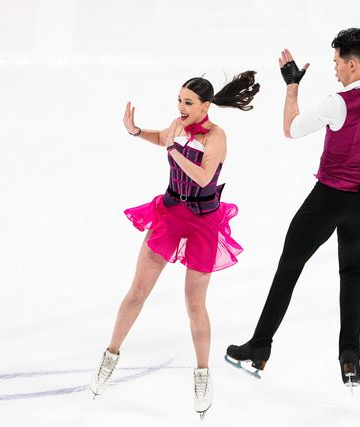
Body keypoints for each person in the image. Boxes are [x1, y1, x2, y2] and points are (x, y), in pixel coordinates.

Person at [226, 28, 360, 389]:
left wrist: (292, 86)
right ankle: (350, 358)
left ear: (352, 64)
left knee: (289, 267)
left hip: (328, 199)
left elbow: (291, 128)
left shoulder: (338, 102)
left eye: (337, 62)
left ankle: (259, 346)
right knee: (352, 275)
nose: (334, 69)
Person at [90, 71, 260, 418]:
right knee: (137, 291)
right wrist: (137, 132)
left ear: (205, 106)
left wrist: (173, 148)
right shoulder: (176, 126)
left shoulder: (217, 136)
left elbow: (203, 175)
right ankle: (110, 355)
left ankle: (202, 374)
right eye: (179, 100)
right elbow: (163, 138)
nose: (181, 107)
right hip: (170, 213)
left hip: (203, 221)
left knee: (194, 303)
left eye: (188, 102)